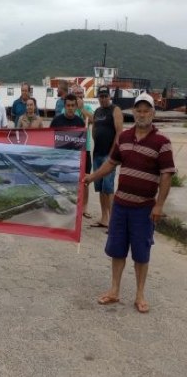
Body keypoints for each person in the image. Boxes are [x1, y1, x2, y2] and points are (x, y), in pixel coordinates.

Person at [84, 93, 175, 314]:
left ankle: (140, 295)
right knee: (117, 250)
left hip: (144, 208)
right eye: (138, 110)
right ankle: (114, 291)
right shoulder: (124, 137)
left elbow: (166, 176)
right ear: (133, 112)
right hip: (121, 205)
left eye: (146, 110)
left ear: (153, 113)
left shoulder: (162, 143)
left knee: (141, 253)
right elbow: (111, 164)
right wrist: (91, 177)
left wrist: (159, 205)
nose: (142, 114)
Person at [89, 85, 123, 228]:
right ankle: (104, 218)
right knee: (100, 188)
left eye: (105, 96)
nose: (103, 99)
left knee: (108, 188)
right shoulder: (97, 111)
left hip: (109, 155)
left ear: (109, 97)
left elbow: (119, 132)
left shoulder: (115, 110)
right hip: (97, 154)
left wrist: (113, 152)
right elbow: (94, 128)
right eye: (101, 97)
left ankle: (113, 222)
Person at [73, 85, 94, 219]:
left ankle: (84, 207)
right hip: (72, 148)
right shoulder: (68, 108)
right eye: (76, 94)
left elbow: (93, 119)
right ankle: (73, 206)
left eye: (81, 94)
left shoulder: (87, 109)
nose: (79, 96)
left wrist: (81, 109)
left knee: (85, 179)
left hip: (85, 149)